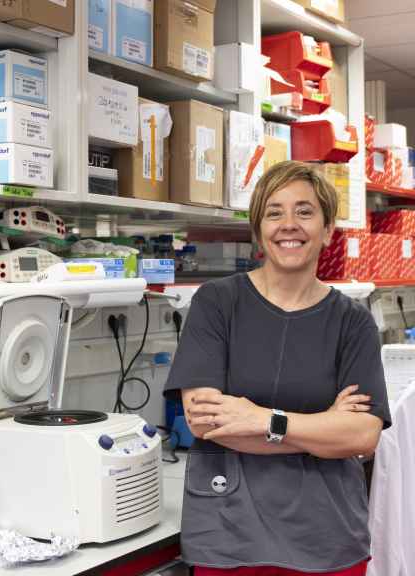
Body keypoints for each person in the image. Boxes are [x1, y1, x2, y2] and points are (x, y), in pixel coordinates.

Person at [164, 160, 391, 575]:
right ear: (258, 231)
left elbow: (362, 435)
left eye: (305, 211)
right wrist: (323, 428)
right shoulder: (217, 304)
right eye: (274, 212)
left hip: (327, 533)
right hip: (230, 532)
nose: (289, 224)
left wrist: (263, 419)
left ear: (327, 231)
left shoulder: (352, 321)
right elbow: (205, 422)